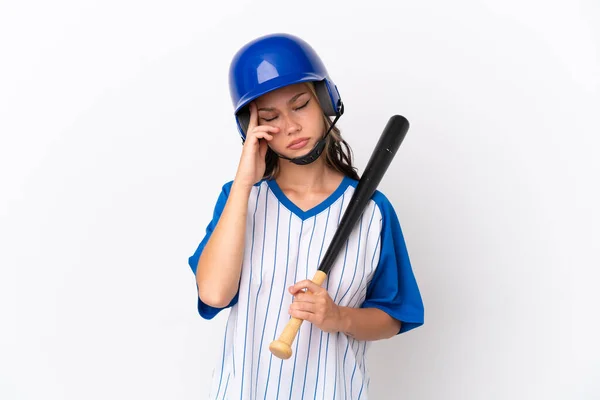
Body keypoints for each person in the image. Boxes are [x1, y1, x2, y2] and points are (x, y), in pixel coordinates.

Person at [188, 33, 424, 400]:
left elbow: (393, 316)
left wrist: (339, 317)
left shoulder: (373, 211)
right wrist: (244, 181)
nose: (291, 126)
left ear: (324, 100)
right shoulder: (240, 200)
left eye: (300, 105)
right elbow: (216, 294)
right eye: (270, 117)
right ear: (252, 129)